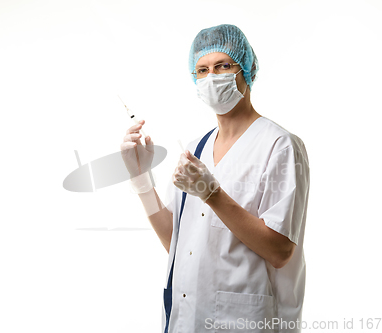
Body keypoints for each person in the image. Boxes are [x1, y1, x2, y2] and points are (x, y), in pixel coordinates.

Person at [120, 24, 310, 333]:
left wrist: (212, 194)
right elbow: (178, 242)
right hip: (188, 317)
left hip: (246, 321)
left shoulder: (280, 145)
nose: (212, 77)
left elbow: (280, 251)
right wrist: (141, 177)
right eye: (202, 70)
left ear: (247, 68)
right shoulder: (197, 147)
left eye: (223, 65)